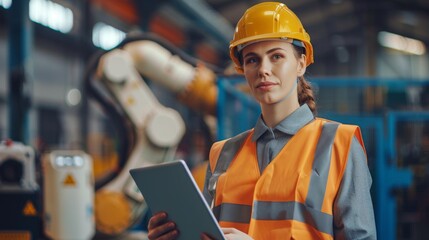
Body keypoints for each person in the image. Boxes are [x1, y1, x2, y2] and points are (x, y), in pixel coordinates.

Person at [147, 2, 377, 239]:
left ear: (300, 64)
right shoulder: (222, 153)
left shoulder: (340, 143)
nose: (263, 70)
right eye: (252, 60)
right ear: (243, 69)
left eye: (276, 56)